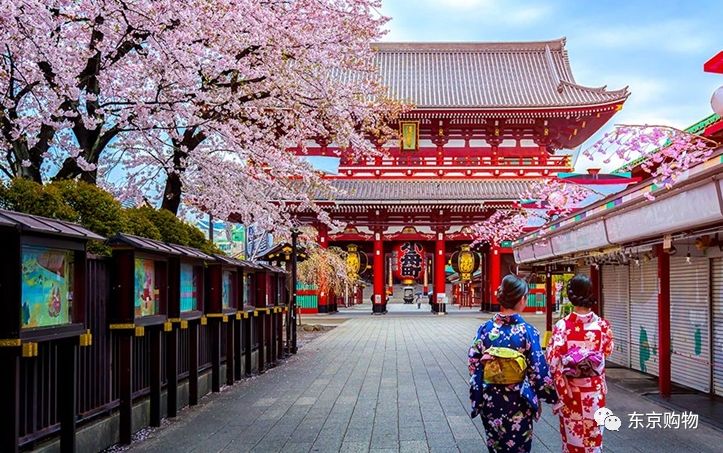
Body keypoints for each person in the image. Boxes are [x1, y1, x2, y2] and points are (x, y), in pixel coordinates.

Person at [468, 274, 557, 453]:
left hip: (491, 398)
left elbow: (473, 361)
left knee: (495, 445)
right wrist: (551, 396)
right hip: (519, 400)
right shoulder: (527, 331)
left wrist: (484, 374)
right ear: (521, 299)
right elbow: (537, 369)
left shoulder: (485, 329)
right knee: (520, 446)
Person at [546, 275, 614, 453]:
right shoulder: (602, 326)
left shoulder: (562, 326)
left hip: (571, 393)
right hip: (594, 393)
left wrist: (560, 385)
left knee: (572, 441)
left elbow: (553, 362)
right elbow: (608, 351)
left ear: (570, 296)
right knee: (593, 441)